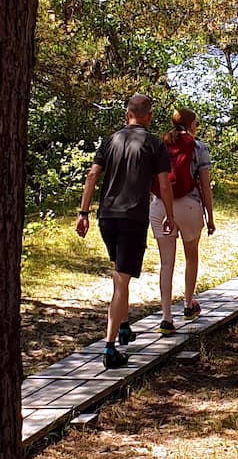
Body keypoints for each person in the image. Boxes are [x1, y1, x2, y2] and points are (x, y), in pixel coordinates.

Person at [75, 94, 176, 368]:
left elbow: (92, 175)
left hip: (107, 216)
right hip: (133, 217)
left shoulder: (110, 141)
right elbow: (164, 185)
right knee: (121, 278)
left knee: (120, 274)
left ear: (126, 114)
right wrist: (170, 215)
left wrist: (83, 213)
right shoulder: (154, 143)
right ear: (149, 117)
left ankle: (124, 327)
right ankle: (110, 349)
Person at [150, 107, 215, 333]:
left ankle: (166, 318)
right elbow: (205, 186)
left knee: (166, 263)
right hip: (189, 205)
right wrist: (210, 216)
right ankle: (188, 305)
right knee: (191, 256)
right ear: (191, 124)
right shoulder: (198, 147)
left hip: (160, 206)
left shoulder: (160, 145)